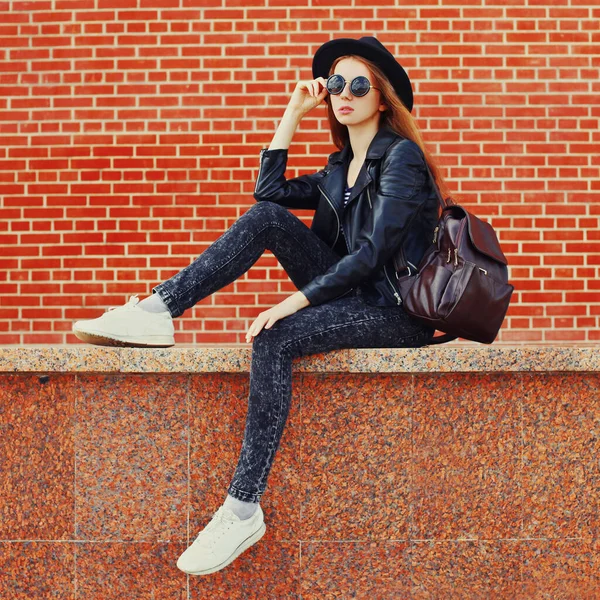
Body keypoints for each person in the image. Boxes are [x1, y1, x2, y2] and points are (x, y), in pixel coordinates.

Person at [71, 36, 450, 576]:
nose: (344, 93)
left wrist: (294, 300)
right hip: (350, 294)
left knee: (273, 336)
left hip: (394, 309)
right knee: (265, 220)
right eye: (335, 84)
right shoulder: (339, 166)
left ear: (382, 99)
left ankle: (242, 508)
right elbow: (266, 192)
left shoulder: (402, 159)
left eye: (358, 85)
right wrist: (293, 111)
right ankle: (159, 310)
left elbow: (374, 254)